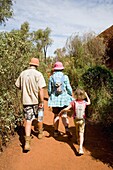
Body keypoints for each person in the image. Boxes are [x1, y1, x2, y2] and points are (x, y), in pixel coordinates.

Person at [15, 57, 46, 151]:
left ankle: (27, 142)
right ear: (37, 65)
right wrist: (41, 101)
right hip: (36, 101)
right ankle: (40, 133)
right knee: (39, 116)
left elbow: (18, 86)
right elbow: (41, 89)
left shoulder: (23, 73)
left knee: (28, 120)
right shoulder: (38, 74)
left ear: (30, 64)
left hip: (26, 101)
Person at [59, 88, 91, 155]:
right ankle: (80, 148)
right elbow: (89, 102)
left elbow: (67, 108)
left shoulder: (73, 102)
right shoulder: (84, 102)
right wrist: (87, 96)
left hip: (76, 119)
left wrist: (61, 112)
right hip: (82, 120)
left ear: (75, 95)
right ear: (83, 95)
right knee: (81, 133)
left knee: (77, 130)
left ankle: (77, 139)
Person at [48, 61, 73, 138]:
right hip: (64, 100)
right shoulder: (65, 77)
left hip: (55, 100)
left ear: (54, 69)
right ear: (62, 69)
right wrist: (70, 94)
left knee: (56, 115)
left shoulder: (51, 77)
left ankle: (55, 132)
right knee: (64, 115)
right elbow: (68, 88)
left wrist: (51, 95)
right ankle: (67, 129)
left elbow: (49, 90)